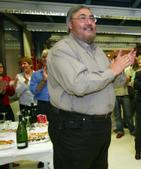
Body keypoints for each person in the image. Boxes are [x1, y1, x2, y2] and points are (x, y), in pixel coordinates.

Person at [46, 5, 135, 169]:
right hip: (75, 129)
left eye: (92, 18)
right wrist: (113, 69)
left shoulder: (98, 51)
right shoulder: (61, 50)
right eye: (82, 17)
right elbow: (78, 85)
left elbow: (115, 82)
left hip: (101, 126)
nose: (89, 22)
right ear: (69, 25)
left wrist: (120, 69)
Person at [30, 49, 50, 116]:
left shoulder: (59, 73)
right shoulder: (35, 74)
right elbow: (34, 91)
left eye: (48, 57)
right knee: (41, 126)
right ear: (41, 59)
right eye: (44, 57)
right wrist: (44, 80)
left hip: (57, 104)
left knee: (57, 126)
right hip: (42, 105)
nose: (46, 59)